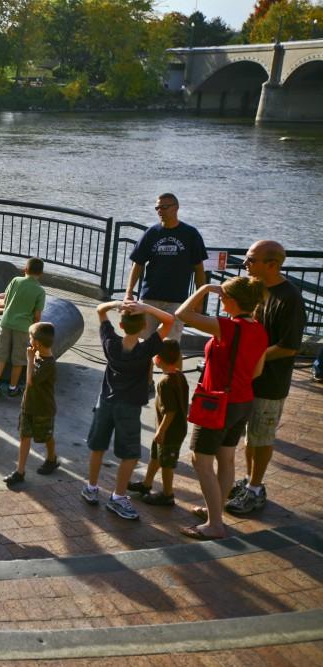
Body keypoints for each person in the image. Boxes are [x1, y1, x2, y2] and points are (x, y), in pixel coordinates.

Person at [175, 277, 268, 540]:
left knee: (201, 461)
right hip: (242, 401)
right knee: (225, 458)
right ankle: (214, 510)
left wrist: (203, 289)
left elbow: (182, 314)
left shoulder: (226, 326)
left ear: (232, 301)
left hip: (218, 404)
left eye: (222, 296)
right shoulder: (260, 329)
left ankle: (214, 525)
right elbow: (257, 371)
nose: (220, 300)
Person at [226, 241, 306, 515]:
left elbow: (289, 346)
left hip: (270, 382)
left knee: (262, 435)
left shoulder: (290, 298)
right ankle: (250, 481)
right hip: (249, 379)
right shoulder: (257, 290)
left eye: (251, 260)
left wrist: (252, 360)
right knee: (251, 435)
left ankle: (256, 488)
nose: (245, 264)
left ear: (272, 264)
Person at [81, 300, 173, 520]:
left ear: (120, 326)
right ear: (143, 327)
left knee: (98, 446)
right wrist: (145, 307)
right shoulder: (146, 349)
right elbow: (169, 320)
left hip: (105, 402)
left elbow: (100, 310)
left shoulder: (111, 344)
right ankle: (118, 497)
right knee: (129, 454)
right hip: (129, 407)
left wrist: (118, 304)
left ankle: (91, 488)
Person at [125, 193, 208, 341]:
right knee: (144, 344)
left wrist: (199, 300)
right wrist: (129, 292)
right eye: (157, 208)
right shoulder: (151, 233)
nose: (160, 211)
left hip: (177, 301)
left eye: (164, 207)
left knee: (170, 346)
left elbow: (199, 270)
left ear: (176, 208)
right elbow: (137, 264)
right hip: (150, 298)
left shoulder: (190, 234)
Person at [126, 339, 189, 506]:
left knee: (167, 463)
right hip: (170, 429)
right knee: (156, 456)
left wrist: (161, 431)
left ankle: (168, 494)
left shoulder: (164, 382)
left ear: (158, 360)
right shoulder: (179, 376)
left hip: (169, 431)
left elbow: (171, 411)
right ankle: (147, 484)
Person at [3, 322, 58, 488]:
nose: (29, 340)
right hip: (28, 405)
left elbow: (30, 380)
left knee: (45, 436)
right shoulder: (39, 355)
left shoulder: (48, 363)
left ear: (37, 343)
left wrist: (29, 360)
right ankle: (20, 471)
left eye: (30, 338)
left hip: (43, 409)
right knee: (24, 436)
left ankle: (51, 458)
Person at [0, 257, 47, 398]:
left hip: (5, 323)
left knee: (0, 355)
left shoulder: (15, 280)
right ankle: (12, 387)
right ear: (41, 274)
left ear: (25, 269)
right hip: (23, 328)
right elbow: (37, 315)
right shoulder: (40, 291)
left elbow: (6, 301)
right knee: (18, 359)